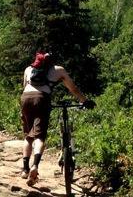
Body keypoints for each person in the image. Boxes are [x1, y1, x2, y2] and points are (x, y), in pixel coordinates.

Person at [19, 51, 94, 186]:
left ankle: (25, 169)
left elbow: (25, 87)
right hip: (41, 98)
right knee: (39, 137)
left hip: (25, 99)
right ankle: (35, 165)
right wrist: (84, 101)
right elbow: (73, 89)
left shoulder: (28, 69)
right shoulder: (58, 70)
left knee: (28, 136)